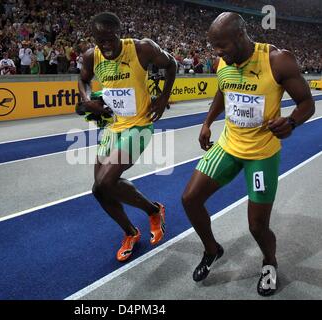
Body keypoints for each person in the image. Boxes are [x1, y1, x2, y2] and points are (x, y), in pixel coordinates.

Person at [181, 12, 315, 296]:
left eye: (222, 47)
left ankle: (269, 262)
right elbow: (223, 91)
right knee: (190, 199)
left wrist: (291, 122)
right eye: (214, 47)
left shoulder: (277, 60)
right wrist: (207, 123)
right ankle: (212, 249)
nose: (217, 53)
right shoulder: (223, 63)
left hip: (262, 154)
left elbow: (306, 103)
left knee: (256, 225)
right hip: (229, 145)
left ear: (241, 37)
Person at [78, 12, 176, 262]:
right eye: (101, 40)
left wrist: (163, 97)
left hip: (139, 125)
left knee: (105, 182)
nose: (107, 45)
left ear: (119, 33)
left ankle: (154, 211)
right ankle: (131, 232)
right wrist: (88, 100)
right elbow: (83, 80)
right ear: (95, 38)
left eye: (111, 39)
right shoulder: (92, 56)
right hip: (112, 127)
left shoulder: (142, 49)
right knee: (99, 191)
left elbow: (171, 63)